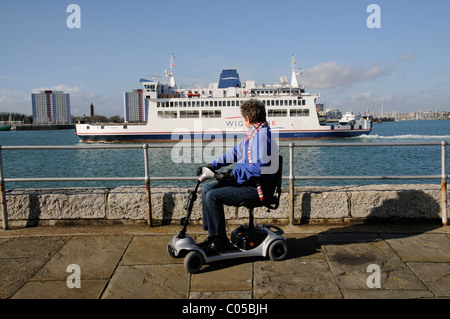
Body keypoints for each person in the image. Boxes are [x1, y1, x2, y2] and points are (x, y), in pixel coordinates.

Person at [197, 99, 279, 252]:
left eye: (243, 118)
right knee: (206, 190)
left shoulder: (260, 137)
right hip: (249, 182)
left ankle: (219, 240)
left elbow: (257, 168)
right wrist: (212, 166)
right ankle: (213, 235)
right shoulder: (254, 134)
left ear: (247, 119)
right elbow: (235, 153)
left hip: (258, 187)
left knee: (212, 196)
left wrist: (230, 174)